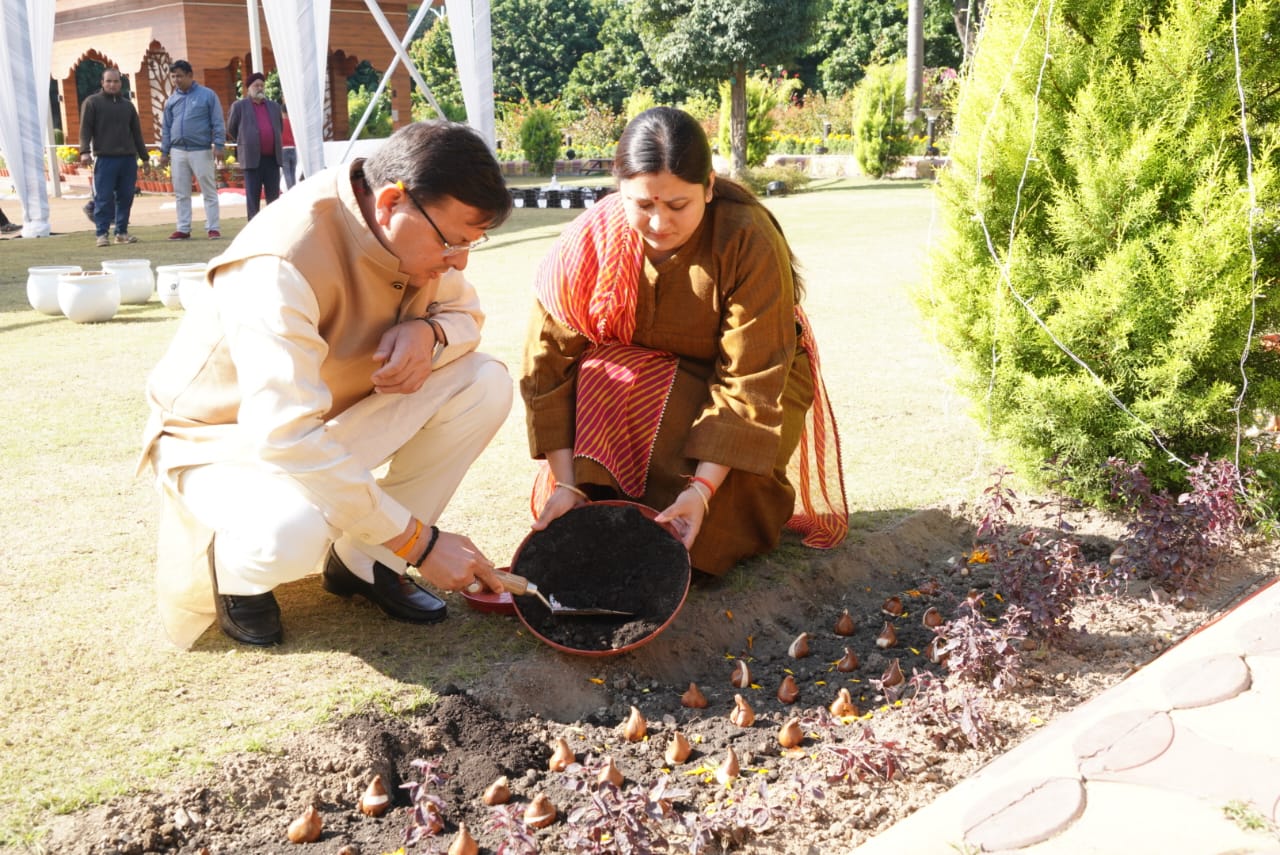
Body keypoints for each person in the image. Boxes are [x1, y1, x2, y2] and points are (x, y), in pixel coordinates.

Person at [140, 121, 514, 648]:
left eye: (472, 244)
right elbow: (286, 438)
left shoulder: (407, 231)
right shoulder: (279, 264)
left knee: (484, 383)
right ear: (389, 202)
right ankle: (236, 571)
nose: (460, 261)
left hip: (325, 420)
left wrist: (427, 332)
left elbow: (466, 316)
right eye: (453, 241)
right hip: (221, 441)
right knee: (290, 532)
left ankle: (366, 561)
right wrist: (421, 544)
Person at [521, 106, 848, 576]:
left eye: (678, 206)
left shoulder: (747, 238)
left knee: (708, 529)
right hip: (636, 389)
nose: (659, 224)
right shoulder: (591, 239)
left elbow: (751, 377)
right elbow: (546, 363)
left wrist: (701, 491)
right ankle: (592, 511)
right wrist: (566, 484)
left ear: (709, 187)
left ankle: (696, 519)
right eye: (643, 205)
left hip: (751, 390)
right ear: (619, 192)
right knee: (599, 374)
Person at [79, 68, 150, 247]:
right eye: (108, 81)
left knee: (126, 197)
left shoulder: (128, 106)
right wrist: (84, 151)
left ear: (121, 83)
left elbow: (137, 133)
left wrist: (145, 157)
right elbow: (85, 129)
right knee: (103, 198)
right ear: (102, 83)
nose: (112, 84)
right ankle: (102, 234)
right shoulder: (92, 103)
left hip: (128, 159)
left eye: (116, 81)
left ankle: (121, 233)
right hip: (105, 159)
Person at [159, 59, 225, 240]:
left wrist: (219, 145)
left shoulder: (207, 95)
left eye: (179, 76)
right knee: (181, 192)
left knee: (208, 190)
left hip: (201, 150)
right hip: (178, 151)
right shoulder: (171, 100)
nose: (176, 80)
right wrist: (164, 152)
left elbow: (217, 121)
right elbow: (166, 127)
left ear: (190, 75)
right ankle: (183, 228)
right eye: (173, 77)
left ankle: (213, 227)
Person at [226, 72, 283, 220]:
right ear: (248, 88)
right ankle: (253, 227)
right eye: (256, 85)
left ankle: (274, 224)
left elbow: (279, 128)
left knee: (273, 197)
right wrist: (247, 139)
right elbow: (232, 129)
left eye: (261, 85)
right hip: (251, 159)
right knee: (253, 197)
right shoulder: (239, 106)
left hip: (272, 159)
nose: (259, 88)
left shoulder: (274, 107)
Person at [280, 103, 298, 190]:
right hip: (293, 148)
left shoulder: (280, 123)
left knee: (286, 172)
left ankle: (290, 190)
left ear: (281, 112)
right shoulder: (293, 122)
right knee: (293, 172)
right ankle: (294, 189)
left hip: (283, 149)